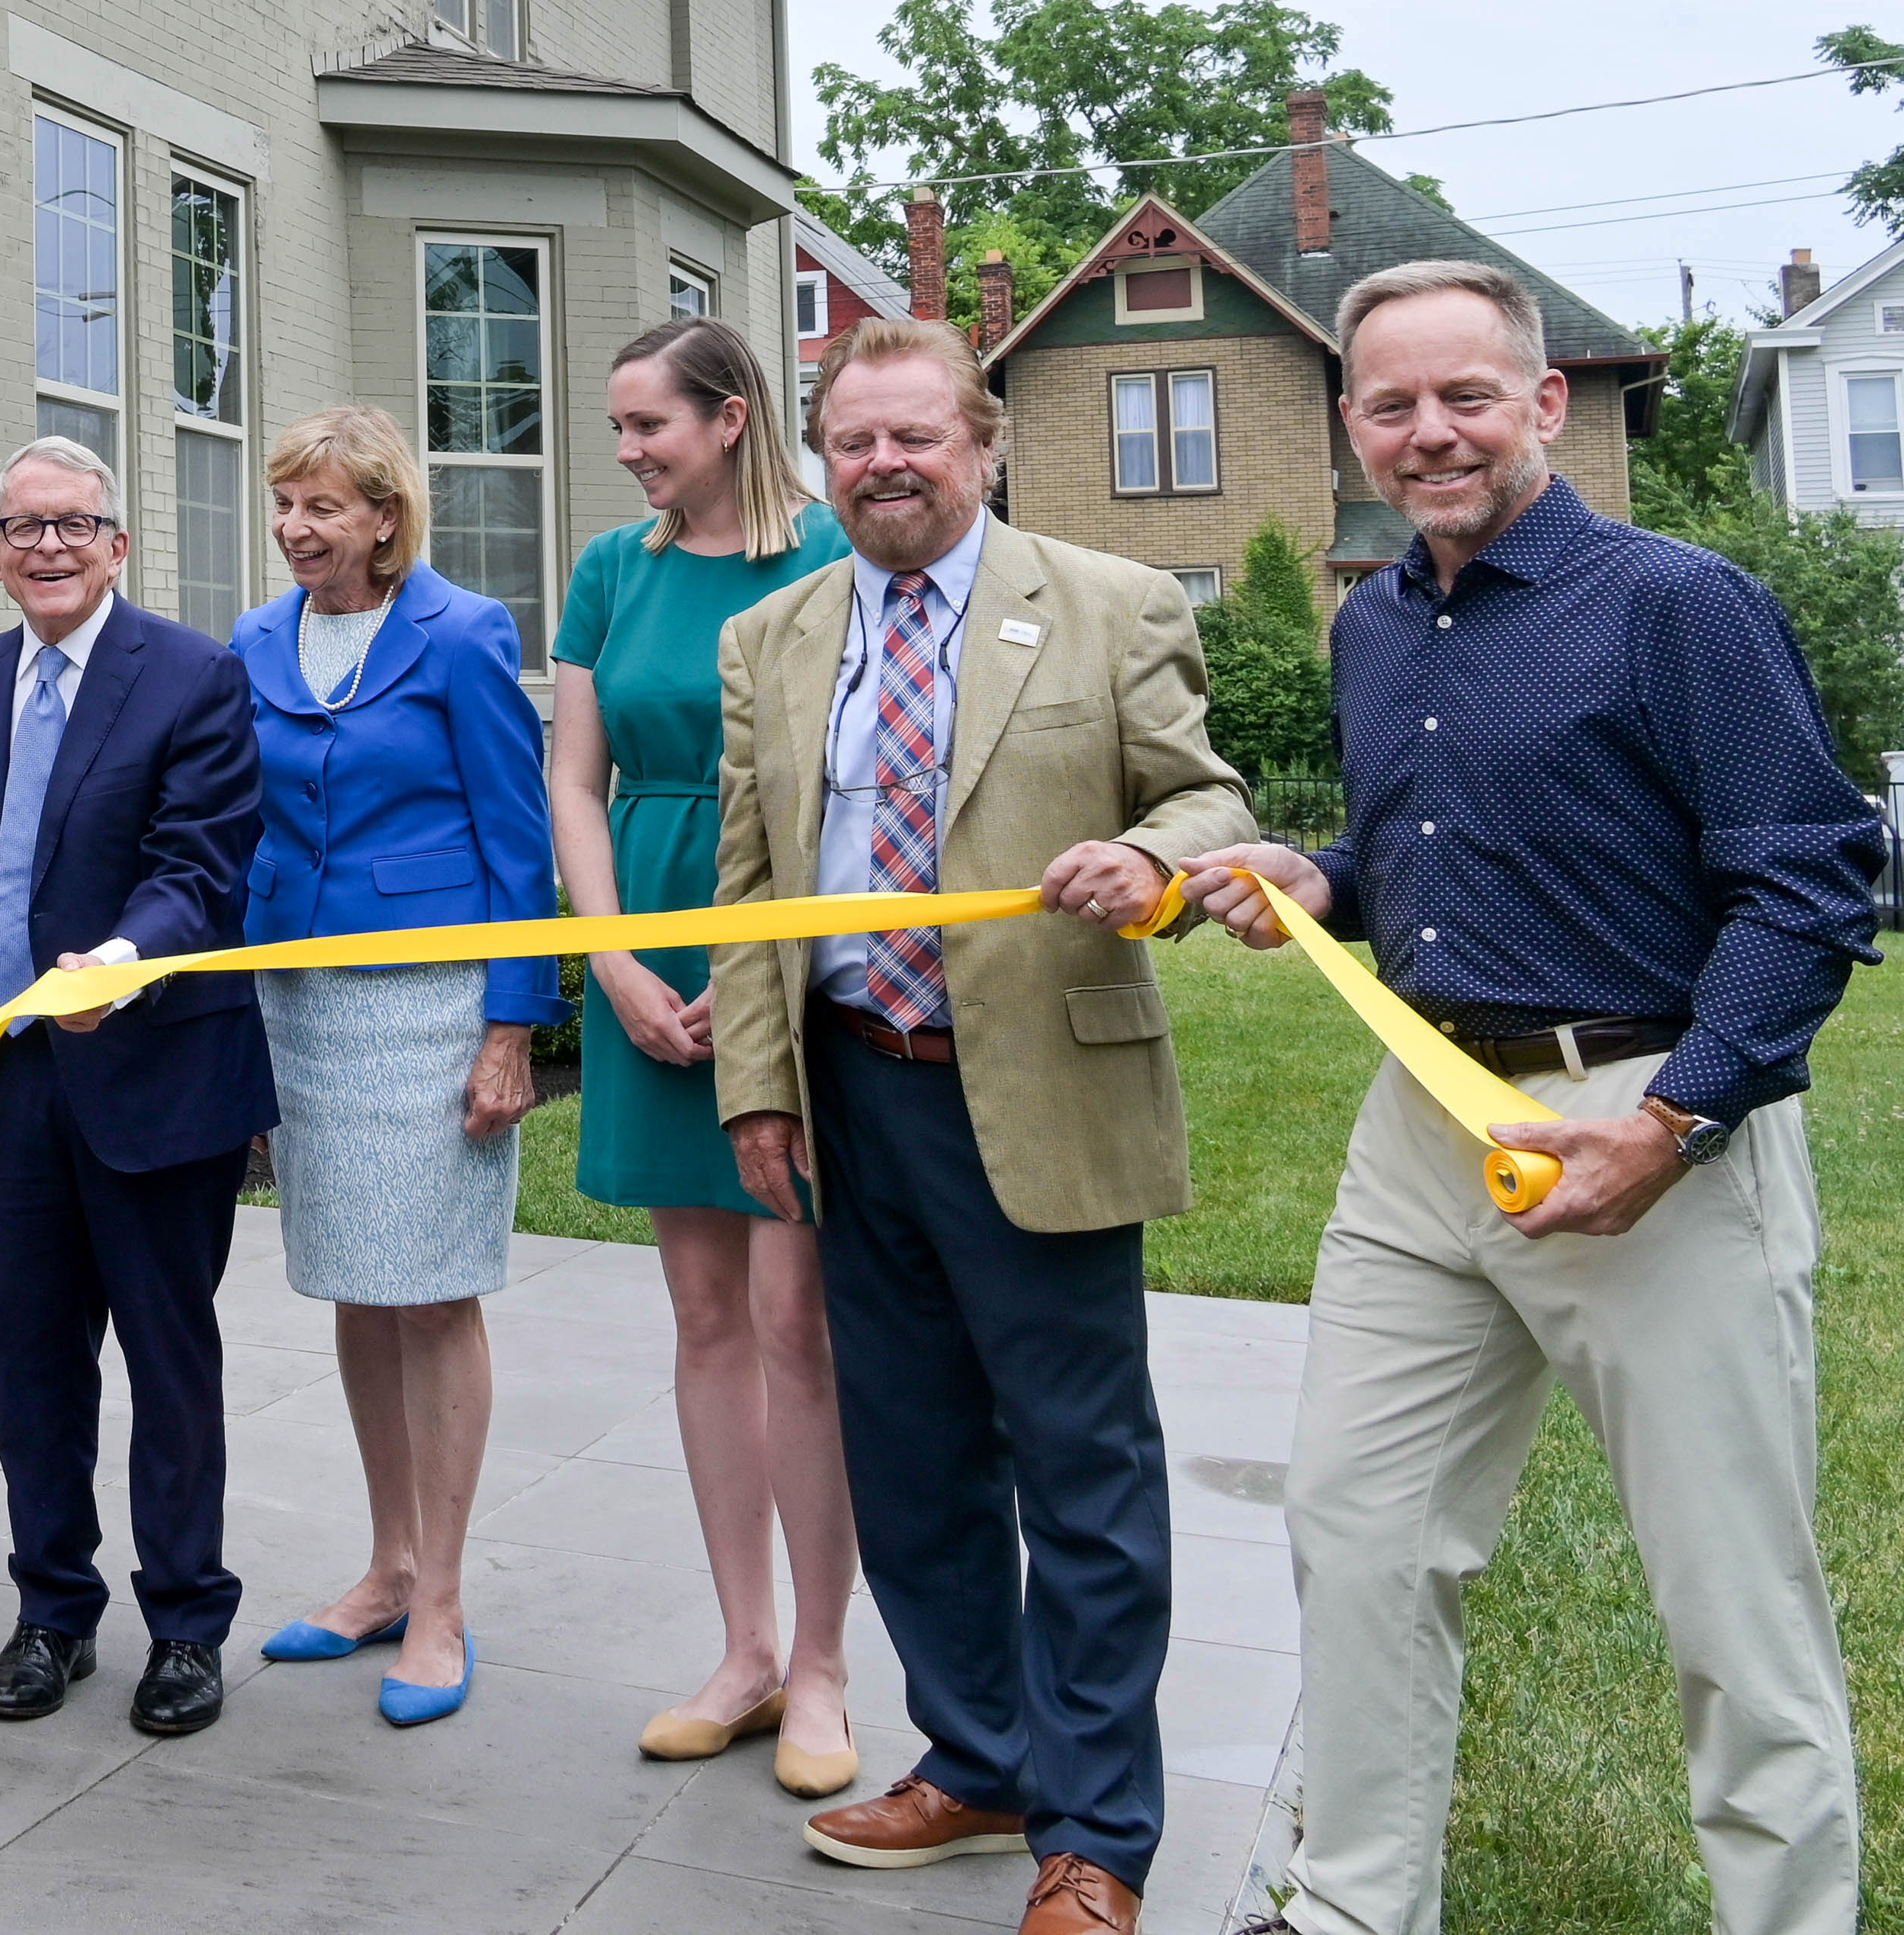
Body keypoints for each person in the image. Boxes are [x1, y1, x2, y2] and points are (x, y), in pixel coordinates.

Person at [1181, 261, 1880, 1935]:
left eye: (1465, 397)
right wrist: (1321, 878)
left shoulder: (1676, 605)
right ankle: (1352, 1908)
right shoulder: (1370, 621)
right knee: (1356, 1535)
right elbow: (1431, 855)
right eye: (1391, 405)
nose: (1429, 433)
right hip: (1421, 1128)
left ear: (1544, 403)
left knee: (1732, 1595)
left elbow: (1808, 881)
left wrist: (1671, 1126)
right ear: (1348, 423)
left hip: (1644, 1114)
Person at [708, 315, 1254, 1935]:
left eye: (914, 436)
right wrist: (758, 1085)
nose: (882, 465)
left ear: (983, 443)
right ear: (820, 460)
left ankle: (1096, 1834)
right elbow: (749, 883)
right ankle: (979, 1760)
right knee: (912, 1463)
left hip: (1039, 1094)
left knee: (1082, 1476)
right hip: (851, 1089)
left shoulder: (1111, 603)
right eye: (852, 441)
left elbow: (1208, 797)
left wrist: (1154, 862)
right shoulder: (771, 638)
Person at [547, 319, 859, 1792]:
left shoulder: (832, 559)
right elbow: (576, 781)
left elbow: (856, 775)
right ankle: (743, 1653)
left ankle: (823, 1668)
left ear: (731, 418)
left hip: (789, 944)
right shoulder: (613, 571)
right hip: (644, 933)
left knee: (798, 1320)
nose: (627, 451)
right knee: (705, 1317)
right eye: (617, 428)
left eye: (646, 425)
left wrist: (756, 982)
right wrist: (609, 962)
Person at [0, 434, 271, 1741]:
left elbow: (202, 863)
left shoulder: (193, 675)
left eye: (76, 524)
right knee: (33, 1360)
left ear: (119, 546)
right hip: (12, 1074)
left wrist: (122, 960)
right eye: (26, 527)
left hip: (157, 1070)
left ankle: (186, 1626)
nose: (52, 547)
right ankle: (52, 1614)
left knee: (168, 1361)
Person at [223, 406, 551, 1731]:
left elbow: (518, 838)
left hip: (434, 999)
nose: (296, 528)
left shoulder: (463, 634)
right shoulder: (254, 639)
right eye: (285, 504)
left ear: (384, 518)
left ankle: (446, 1601)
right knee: (358, 1284)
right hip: (301, 999)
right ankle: (388, 1566)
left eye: (323, 507)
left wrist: (512, 1029)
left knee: (431, 1290)